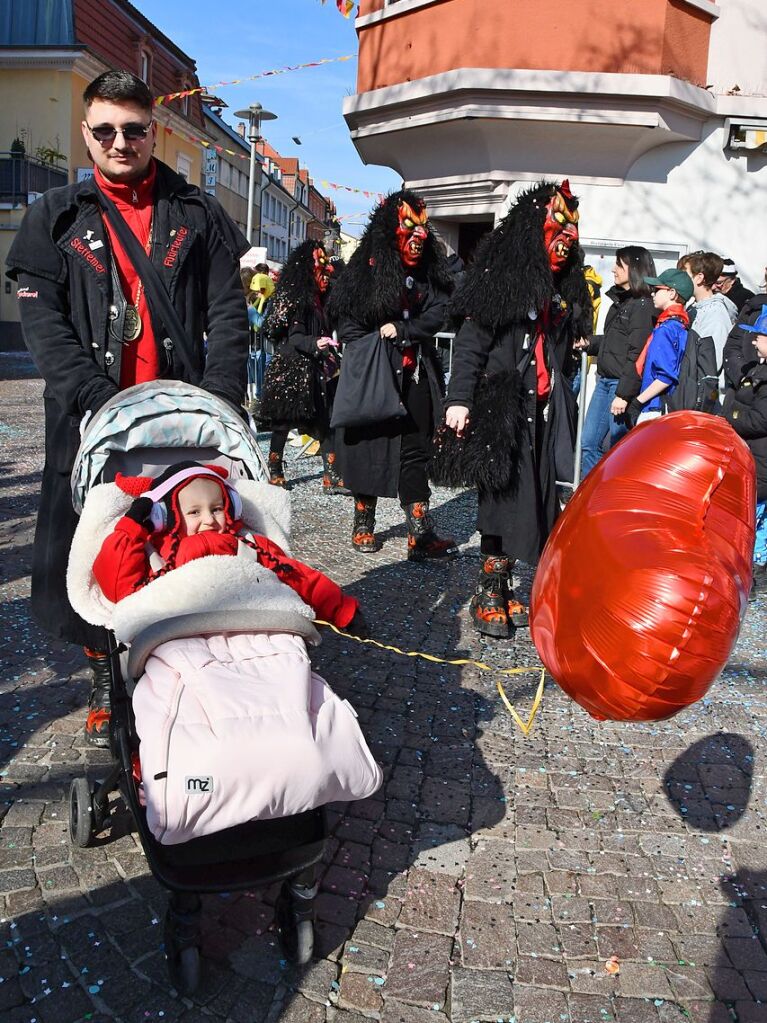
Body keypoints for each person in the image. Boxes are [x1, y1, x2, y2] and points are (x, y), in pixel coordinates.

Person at [4, 70, 250, 745]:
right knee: (95, 555)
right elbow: (44, 327)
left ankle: (178, 666)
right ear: (86, 133)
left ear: (153, 133)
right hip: (90, 422)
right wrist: (97, 401)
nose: (119, 141)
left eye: (133, 130)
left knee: (182, 547)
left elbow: (230, 313)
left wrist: (220, 399)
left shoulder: (197, 211)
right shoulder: (53, 214)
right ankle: (104, 678)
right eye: (104, 129)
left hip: (180, 420)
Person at [442, 180, 593, 638]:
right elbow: (470, 345)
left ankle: (506, 587)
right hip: (502, 409)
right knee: (503, 499)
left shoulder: (558, 291)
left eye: (570, 234)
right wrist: (459, 400)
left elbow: (558, 350)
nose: (564, 243)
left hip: (543, 412)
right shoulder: (499, 283)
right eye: (555, 232)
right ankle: (489, 589)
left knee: (534, 500)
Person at [329, 190, 457, 560]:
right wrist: (377, 342)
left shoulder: (428, 276)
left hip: (414, 376)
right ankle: (363, 523)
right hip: (374, 376)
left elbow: (438, 312)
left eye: (422, 228)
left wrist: (405, 331)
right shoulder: (362, 275)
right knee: (370, 444)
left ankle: (420, 532)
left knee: (416, 448)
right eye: (408, 226)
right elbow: (349, 326)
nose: (417, 236)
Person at [92, 461, 366, 628]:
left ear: (232, 508)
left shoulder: (248, 544)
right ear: (167, 515)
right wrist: (131, 528)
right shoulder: (157, 552)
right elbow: (118, 586)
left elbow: (297, 576)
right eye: (194, 512)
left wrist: (341, 609)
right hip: (179, 633)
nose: (209, 519)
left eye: (217, 508)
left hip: (250, 624)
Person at [259, 241, 349, 495]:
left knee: (326, 421)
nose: (326, 277)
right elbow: (295, 337)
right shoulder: (299, 300)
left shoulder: (323, 301)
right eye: (321, 273)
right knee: (282, 423)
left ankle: (331, 476)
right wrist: (315, 342)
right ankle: (275, 468)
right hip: (291, 370)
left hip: (316, 369)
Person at [578, 247, 656, 475]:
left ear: (634, 270)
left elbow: (636, 353)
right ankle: (590, 499)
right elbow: (615, 343)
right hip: (605, 383)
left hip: (619, 387)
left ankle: (606, 500)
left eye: (620, 265)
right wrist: (589, 342)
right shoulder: (622, 303)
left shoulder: (642, 307)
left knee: (617, 449)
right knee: (588, 443)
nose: (613, 269)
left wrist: (623, 394)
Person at [722, 308, 767, 598]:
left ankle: (752, 575)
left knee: (752, 518)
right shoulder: (759, 370)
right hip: (760, 459)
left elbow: (761, 419)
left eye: (760, 336)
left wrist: (731, 414)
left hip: (762, 463)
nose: (753, 342)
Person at [620, 268, 692, 424]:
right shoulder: (680, 325)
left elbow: (665, 377)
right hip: (661, 407)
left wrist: (637, 402)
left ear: (672, 293)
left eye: (657, 289)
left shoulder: (666, 329)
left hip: (655, 408)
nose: (652, 293)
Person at [678, 251, 735, 392]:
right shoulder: (693, 308)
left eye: (684, 275)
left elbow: (711, 362)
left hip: (702, 397)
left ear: (699, 278)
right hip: (687, 389)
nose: (679, 280)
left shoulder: (716, 313)